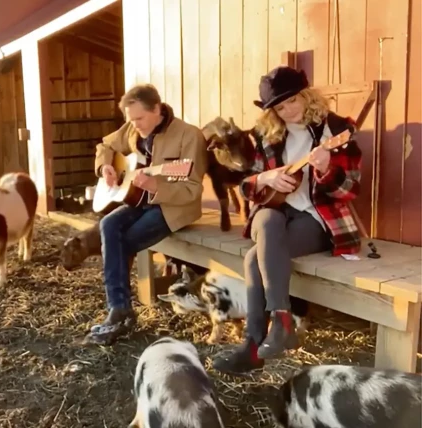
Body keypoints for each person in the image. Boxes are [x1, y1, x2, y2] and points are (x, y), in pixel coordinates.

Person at [213, 66, 362, 373]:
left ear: (307, 96)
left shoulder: (335, 130)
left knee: (255, 259)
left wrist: (324, 170)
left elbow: (350, 189)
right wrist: (266, 178)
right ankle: (281, 323)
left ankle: (254, 346)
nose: (288, 110)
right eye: (280, 107)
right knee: (266, 219)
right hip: (276, 214)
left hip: (318, 218)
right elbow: (246, 187)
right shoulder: (266, 136)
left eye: (293, 101)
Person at [84, 84, 208, 345]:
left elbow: (192, 190)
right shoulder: (132, 128)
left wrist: (156, 186)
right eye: (131, 119)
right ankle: (119, 308)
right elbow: (105, 144)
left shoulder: (189, 136)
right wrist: (105, 166)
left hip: (173, 208)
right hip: (138, 199)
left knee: (121, 243)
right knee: (108, 225)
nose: (135, 124)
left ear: (157, 109)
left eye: (140, 118)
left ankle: (120, 314)